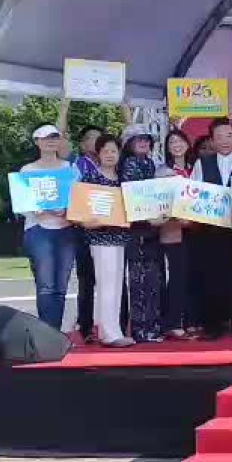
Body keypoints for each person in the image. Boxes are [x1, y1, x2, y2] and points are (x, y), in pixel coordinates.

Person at [191, 117, 232, 340]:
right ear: (212, 140)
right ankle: (213, 325)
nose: (225, 140)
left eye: (229, 135)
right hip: (210, 230)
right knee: (211, 277)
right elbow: (193, 194)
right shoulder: (202, 163)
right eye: (219, 136)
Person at [19, 124, 78, 330]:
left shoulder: (70, 168)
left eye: (55, 137)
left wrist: (68, 210)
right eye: (45, 138)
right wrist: (41, 209)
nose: (51, 141)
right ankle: (47, 332)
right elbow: (23, 204)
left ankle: (55, 332)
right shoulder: (28, 170)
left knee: (60, 287)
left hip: (66, 230)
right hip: (38, 230)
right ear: (37, 141)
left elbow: (79, 196)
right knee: (45, 286)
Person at [79, 134, 135, 348]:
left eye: (114, 151)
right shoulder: (90, 178)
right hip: (100, 238)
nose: (110, 155)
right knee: (106, 284)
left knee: (117, 284)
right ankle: (108, 333)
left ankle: (113, 330)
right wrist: (90, 221)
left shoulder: (123, 180)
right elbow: (81, 212)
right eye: (105, 151)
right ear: (98, 154)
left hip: (120, 237)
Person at [119, 125, 171, 342]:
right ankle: (142, 329)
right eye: (137, 139)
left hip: (153, 229)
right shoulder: (128, 165)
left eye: (146, 139)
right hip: (137, 230)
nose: (143, 143)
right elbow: (132, 200)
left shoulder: (151, 163)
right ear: (128, 144)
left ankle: (152, 326)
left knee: (154, 279)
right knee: (140, 281)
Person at [157, 130, 198, 338]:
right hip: (174, 230)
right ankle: (172, 322)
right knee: (177, 276)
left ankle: (191, 320)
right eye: (172, 142)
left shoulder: (196, 168)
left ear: (187, 144)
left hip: (197, 230)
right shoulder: (162, 172)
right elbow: (159, 203)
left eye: (180, 140)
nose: (176, 145)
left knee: (194, 276)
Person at [71, 125, 105, 343]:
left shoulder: (110, 163)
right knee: (87, 280)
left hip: (109, 229)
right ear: (82, 145)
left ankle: (114, 324)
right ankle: (85, 326)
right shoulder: (76, 166)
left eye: (100, 138)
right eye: (92, 138)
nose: (97, 142)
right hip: (84, 229)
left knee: (111, 280)